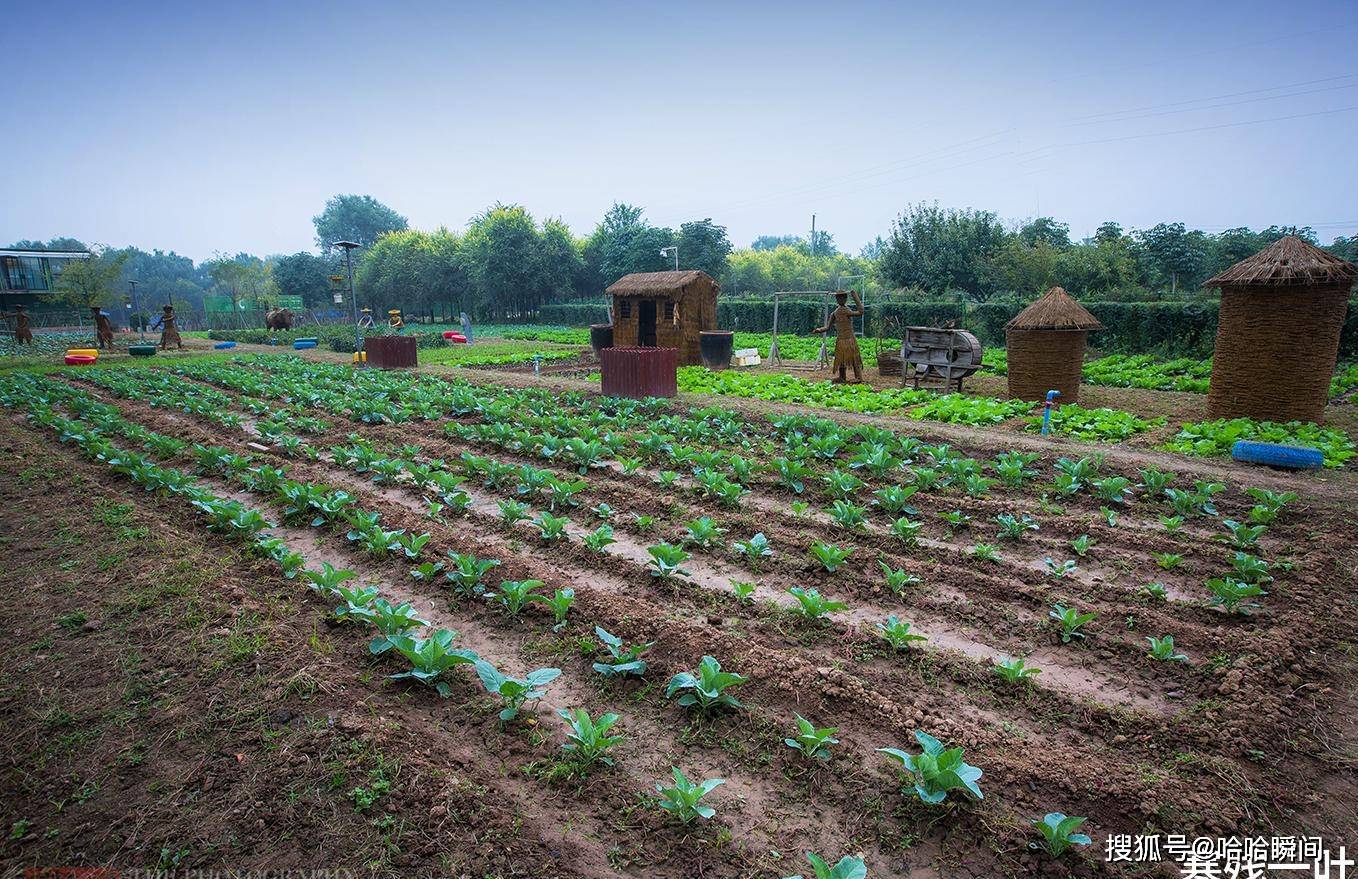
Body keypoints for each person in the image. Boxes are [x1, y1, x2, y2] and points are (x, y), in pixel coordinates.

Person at [814, 290, 865, 384]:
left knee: (854, 358)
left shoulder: (847, 311)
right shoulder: (834, 313)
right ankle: (842, 377)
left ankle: (858, 377)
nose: (841, 299)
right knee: (840, 358)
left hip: (850, 339)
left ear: (846, 299)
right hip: (841, 339)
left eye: (843, 297)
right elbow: (827, 327)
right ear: (836, 299)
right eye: (839, 298)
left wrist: (856, 297)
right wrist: (819, 330)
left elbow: (861, 312)